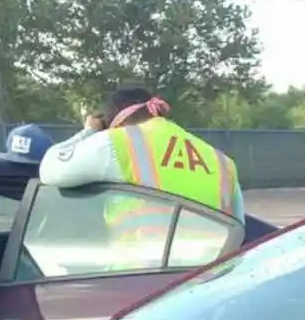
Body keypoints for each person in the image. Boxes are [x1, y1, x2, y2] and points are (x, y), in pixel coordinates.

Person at [40, 85, 247, 229]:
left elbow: (49, 170)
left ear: (111, 122)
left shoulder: (117, 142)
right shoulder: (222, 162)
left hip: (140, 280)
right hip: (206, 283)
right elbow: (238, 228)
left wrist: (89, 132)